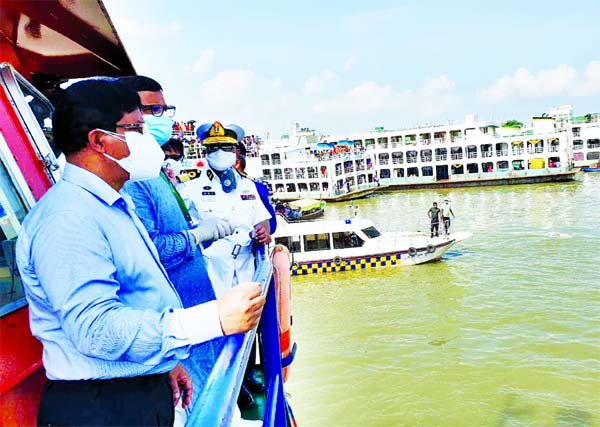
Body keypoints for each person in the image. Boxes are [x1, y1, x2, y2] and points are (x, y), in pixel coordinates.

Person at [16, 78, 265, 427]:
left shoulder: (110, 204)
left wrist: (162, 365)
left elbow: (135, 294)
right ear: (99, 140)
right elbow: (94, 327)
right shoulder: (69, 218)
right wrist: (212, 320)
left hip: (135, 388)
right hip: (103, 407)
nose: (146, 140)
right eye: (134, 129)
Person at [119, 76, 233, 425]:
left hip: (196, 312)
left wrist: (200, 235)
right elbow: (147, 249)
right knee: (197, 410)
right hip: (176, 322)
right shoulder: (134, 178)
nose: (160, 117)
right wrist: (196, 237)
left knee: (215, 397)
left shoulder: (154, 171)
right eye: (150, 111)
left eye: (163, 109)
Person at [179, 121, 272, 299]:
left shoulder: (248, 185)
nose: (219, 152)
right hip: (211, 270)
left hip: (246, 269)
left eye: (226, 147)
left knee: (248, 322)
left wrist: (264, 233)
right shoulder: (190, 187)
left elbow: (262, 219)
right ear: (205, 151)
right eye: (213, 148)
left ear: (235, 151)